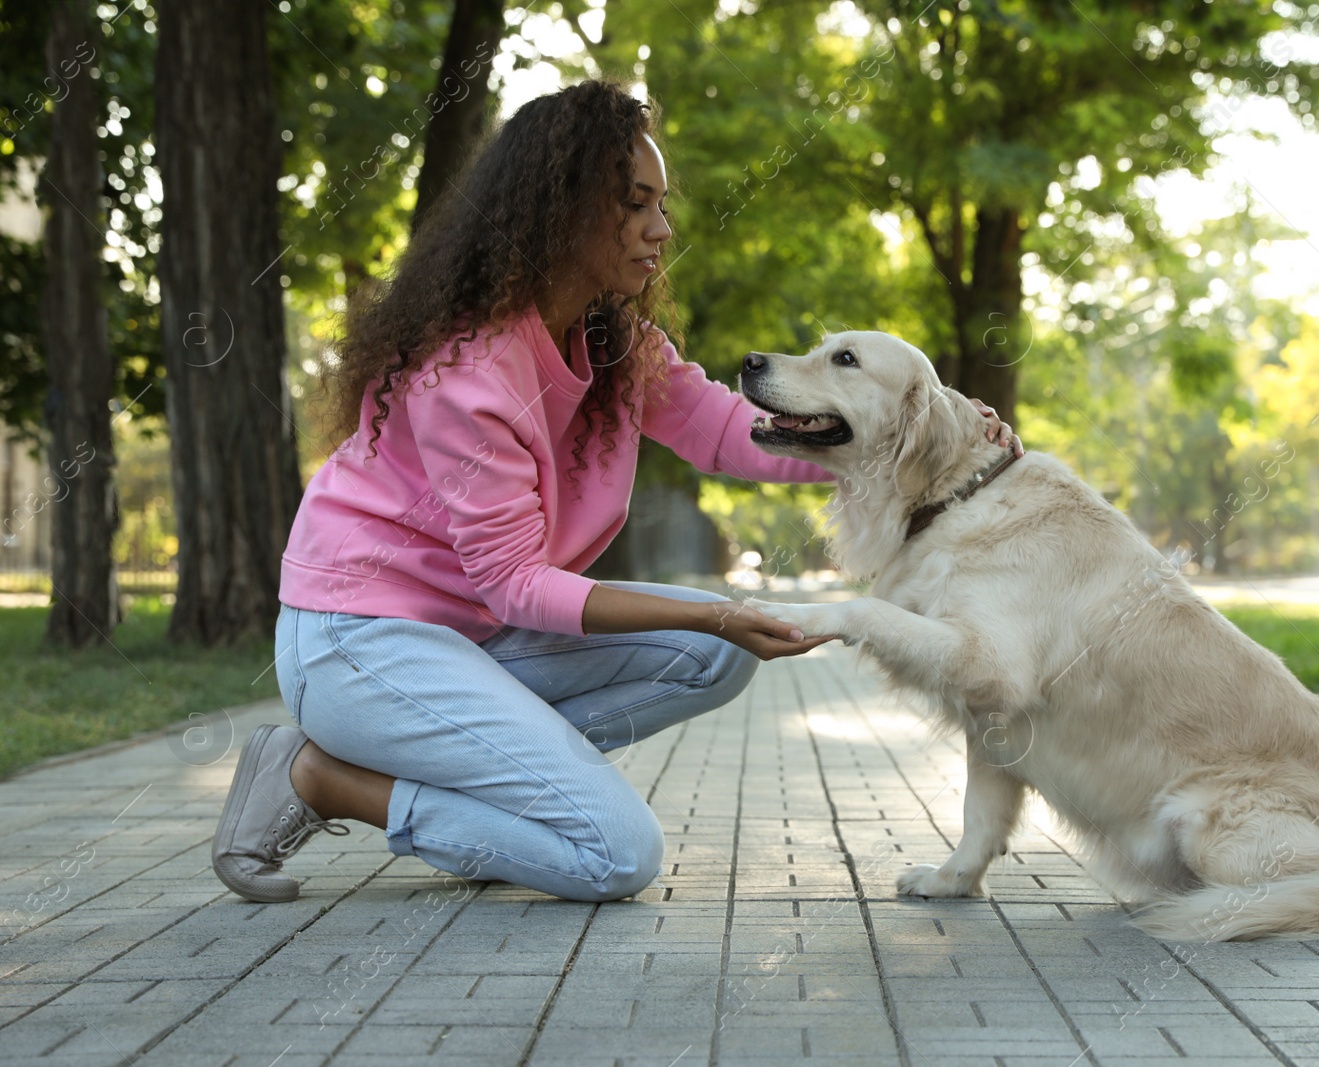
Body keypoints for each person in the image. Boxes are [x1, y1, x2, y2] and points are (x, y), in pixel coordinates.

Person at [211, 80, 1018, 905]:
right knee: (613, 852)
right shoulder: (471, 374)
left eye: (661, 205)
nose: (662, 230)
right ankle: (322, 779)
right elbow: (516, 583)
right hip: (360, 643)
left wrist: (922, 437)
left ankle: (503, 782)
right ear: (562, 211)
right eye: (636, 205)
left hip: (475, 638)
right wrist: (711, 607)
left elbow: (728, 429)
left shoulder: (615, 341)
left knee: (718, 659)